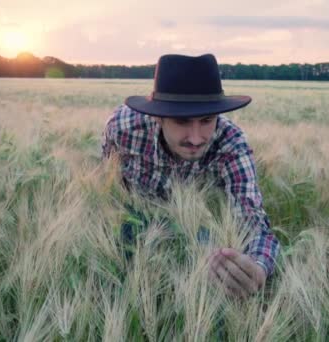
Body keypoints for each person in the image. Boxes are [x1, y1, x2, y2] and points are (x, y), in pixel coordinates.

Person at [101, 53, 279, 298]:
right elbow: (107, 180)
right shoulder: (123, 128)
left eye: (207, 120)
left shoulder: (231, 143)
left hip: (196, 231)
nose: (196, 138)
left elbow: (255, 222)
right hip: (132, 224)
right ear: (158, 116)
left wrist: (258, 268)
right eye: (181, 121)